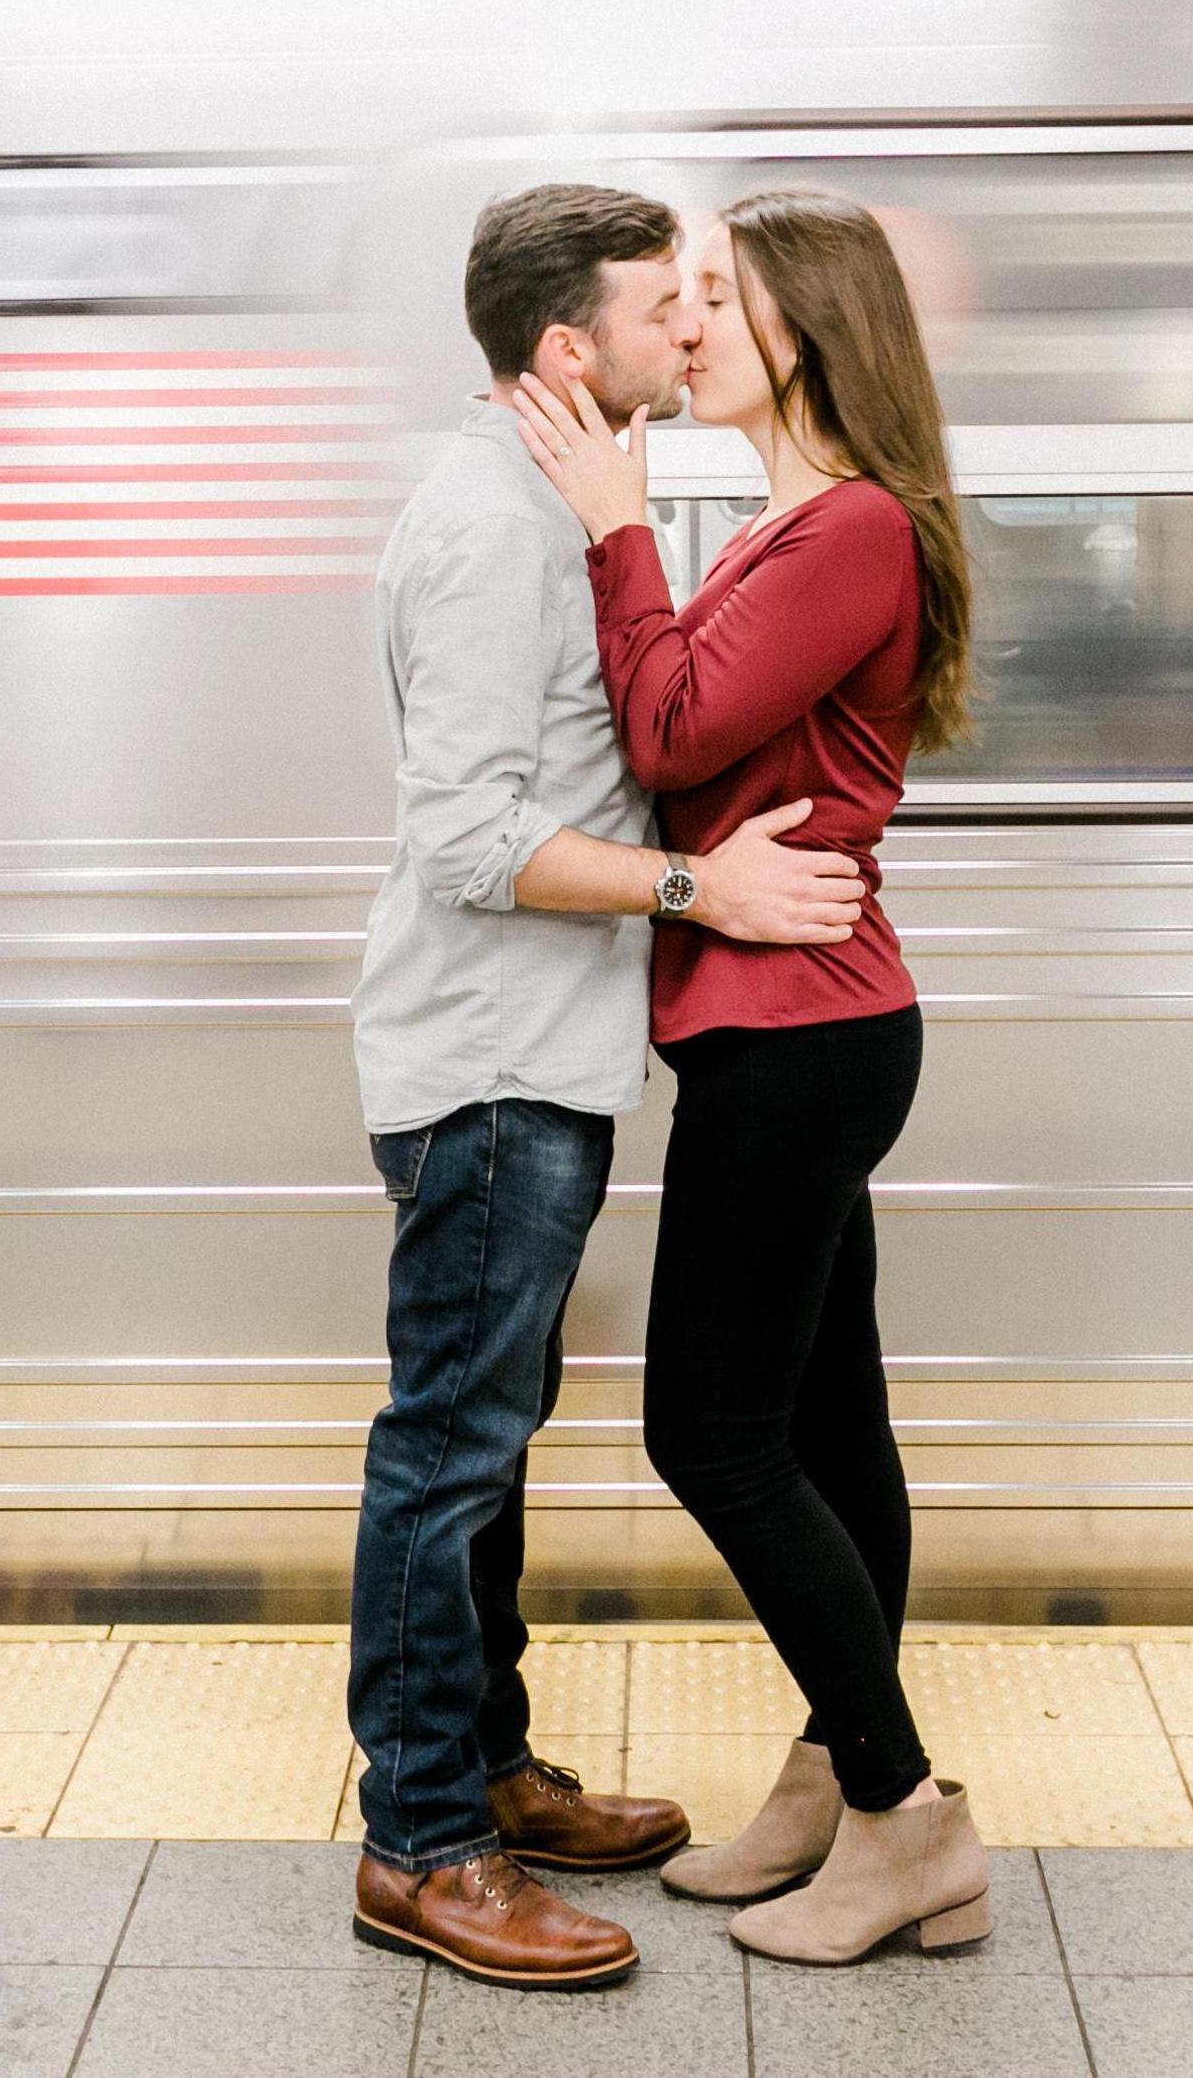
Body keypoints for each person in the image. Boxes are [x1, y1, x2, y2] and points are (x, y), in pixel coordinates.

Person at [347, 183, 869, 1990]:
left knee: (486, 1445)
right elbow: (473, 839)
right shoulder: (498, 533)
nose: (694, 329)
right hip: (491, 1057)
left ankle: (483, 1767)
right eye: (669, 306)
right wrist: (695, 888)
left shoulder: (549, 505)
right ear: (571, 347)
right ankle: (423, 1843)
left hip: (533, 1057)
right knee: (450, 1448)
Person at [511, 187, 991, 1967]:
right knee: (825, 1422)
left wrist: (617, 531)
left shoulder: (847, 528)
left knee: (706, 1426)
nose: (691, 321)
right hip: (792, 1027)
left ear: (811, 329)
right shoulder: (797, 528)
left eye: (722, 295)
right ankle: (824, 1783)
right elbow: (695, 747)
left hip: (799, 1040)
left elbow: (672, 733)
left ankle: (899, 1809)